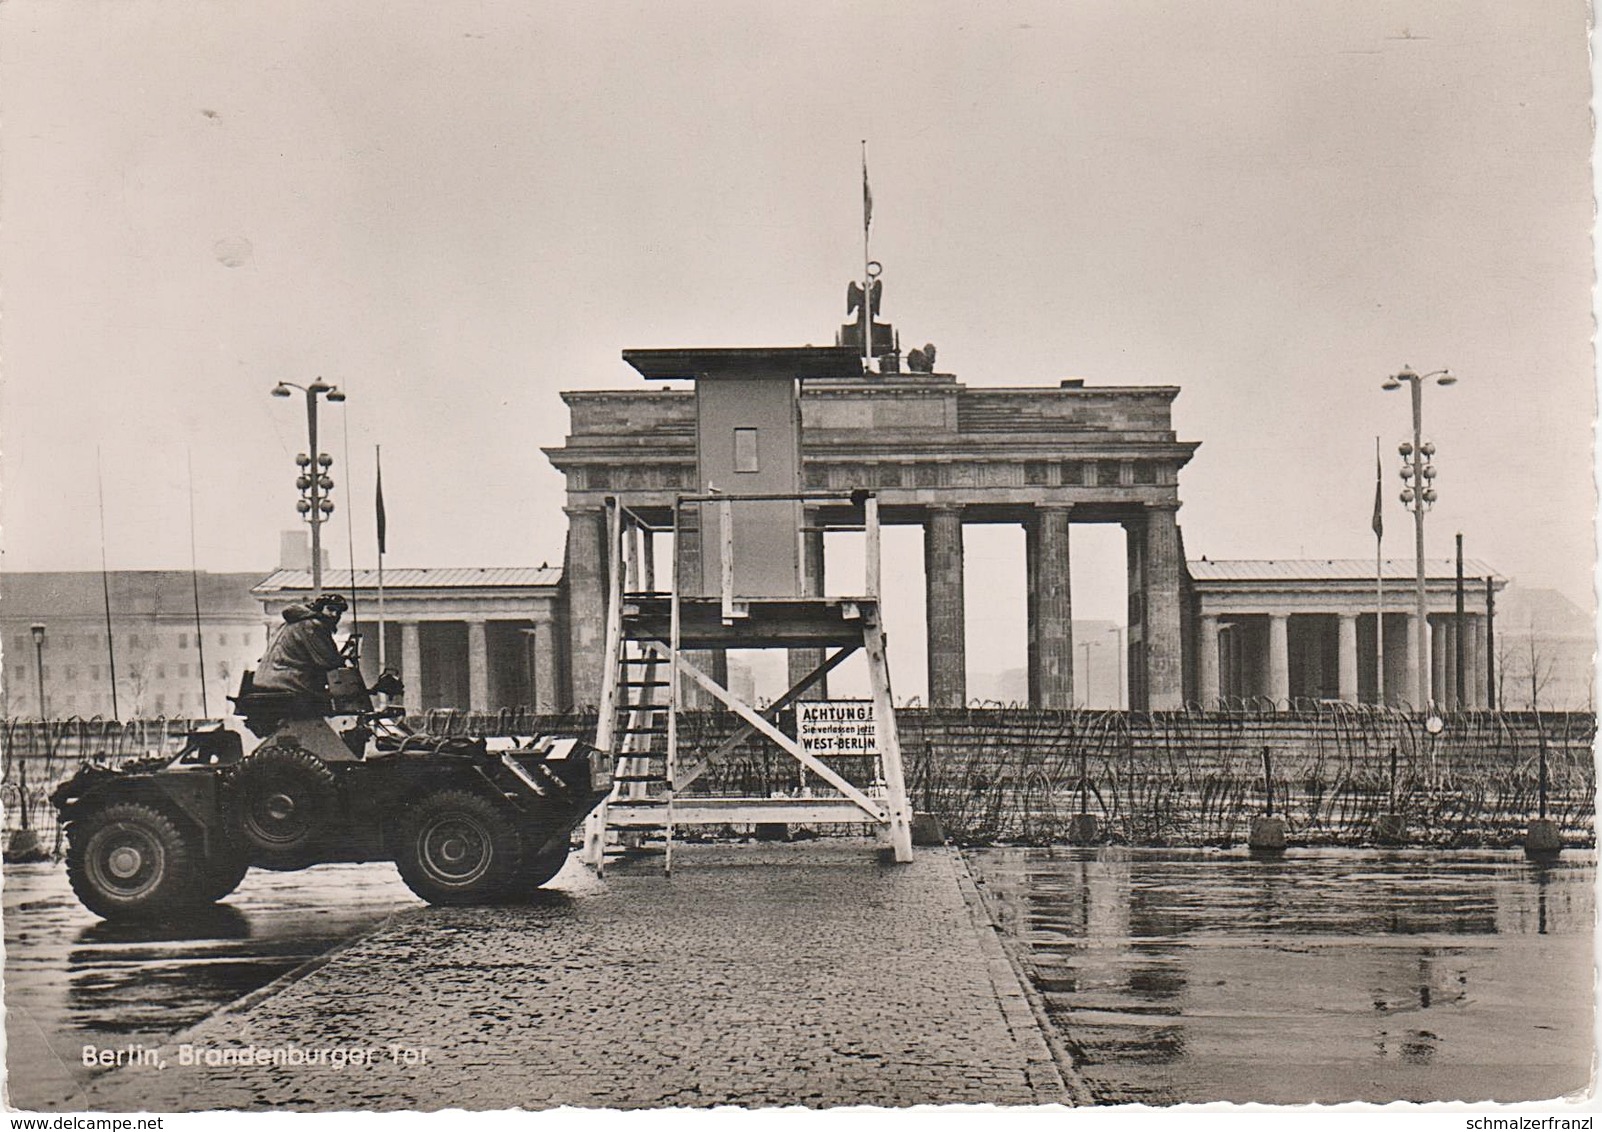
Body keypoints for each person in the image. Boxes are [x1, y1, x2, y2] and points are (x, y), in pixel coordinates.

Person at [254, 593, 354, 713]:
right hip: (289, 683)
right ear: (319, 608)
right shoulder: (313, 625)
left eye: (339, 613)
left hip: (265, 682)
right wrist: (343, 659)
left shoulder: (288, 624)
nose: (335, 615)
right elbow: (328, 661)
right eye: (331, 609)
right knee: (334, 705)